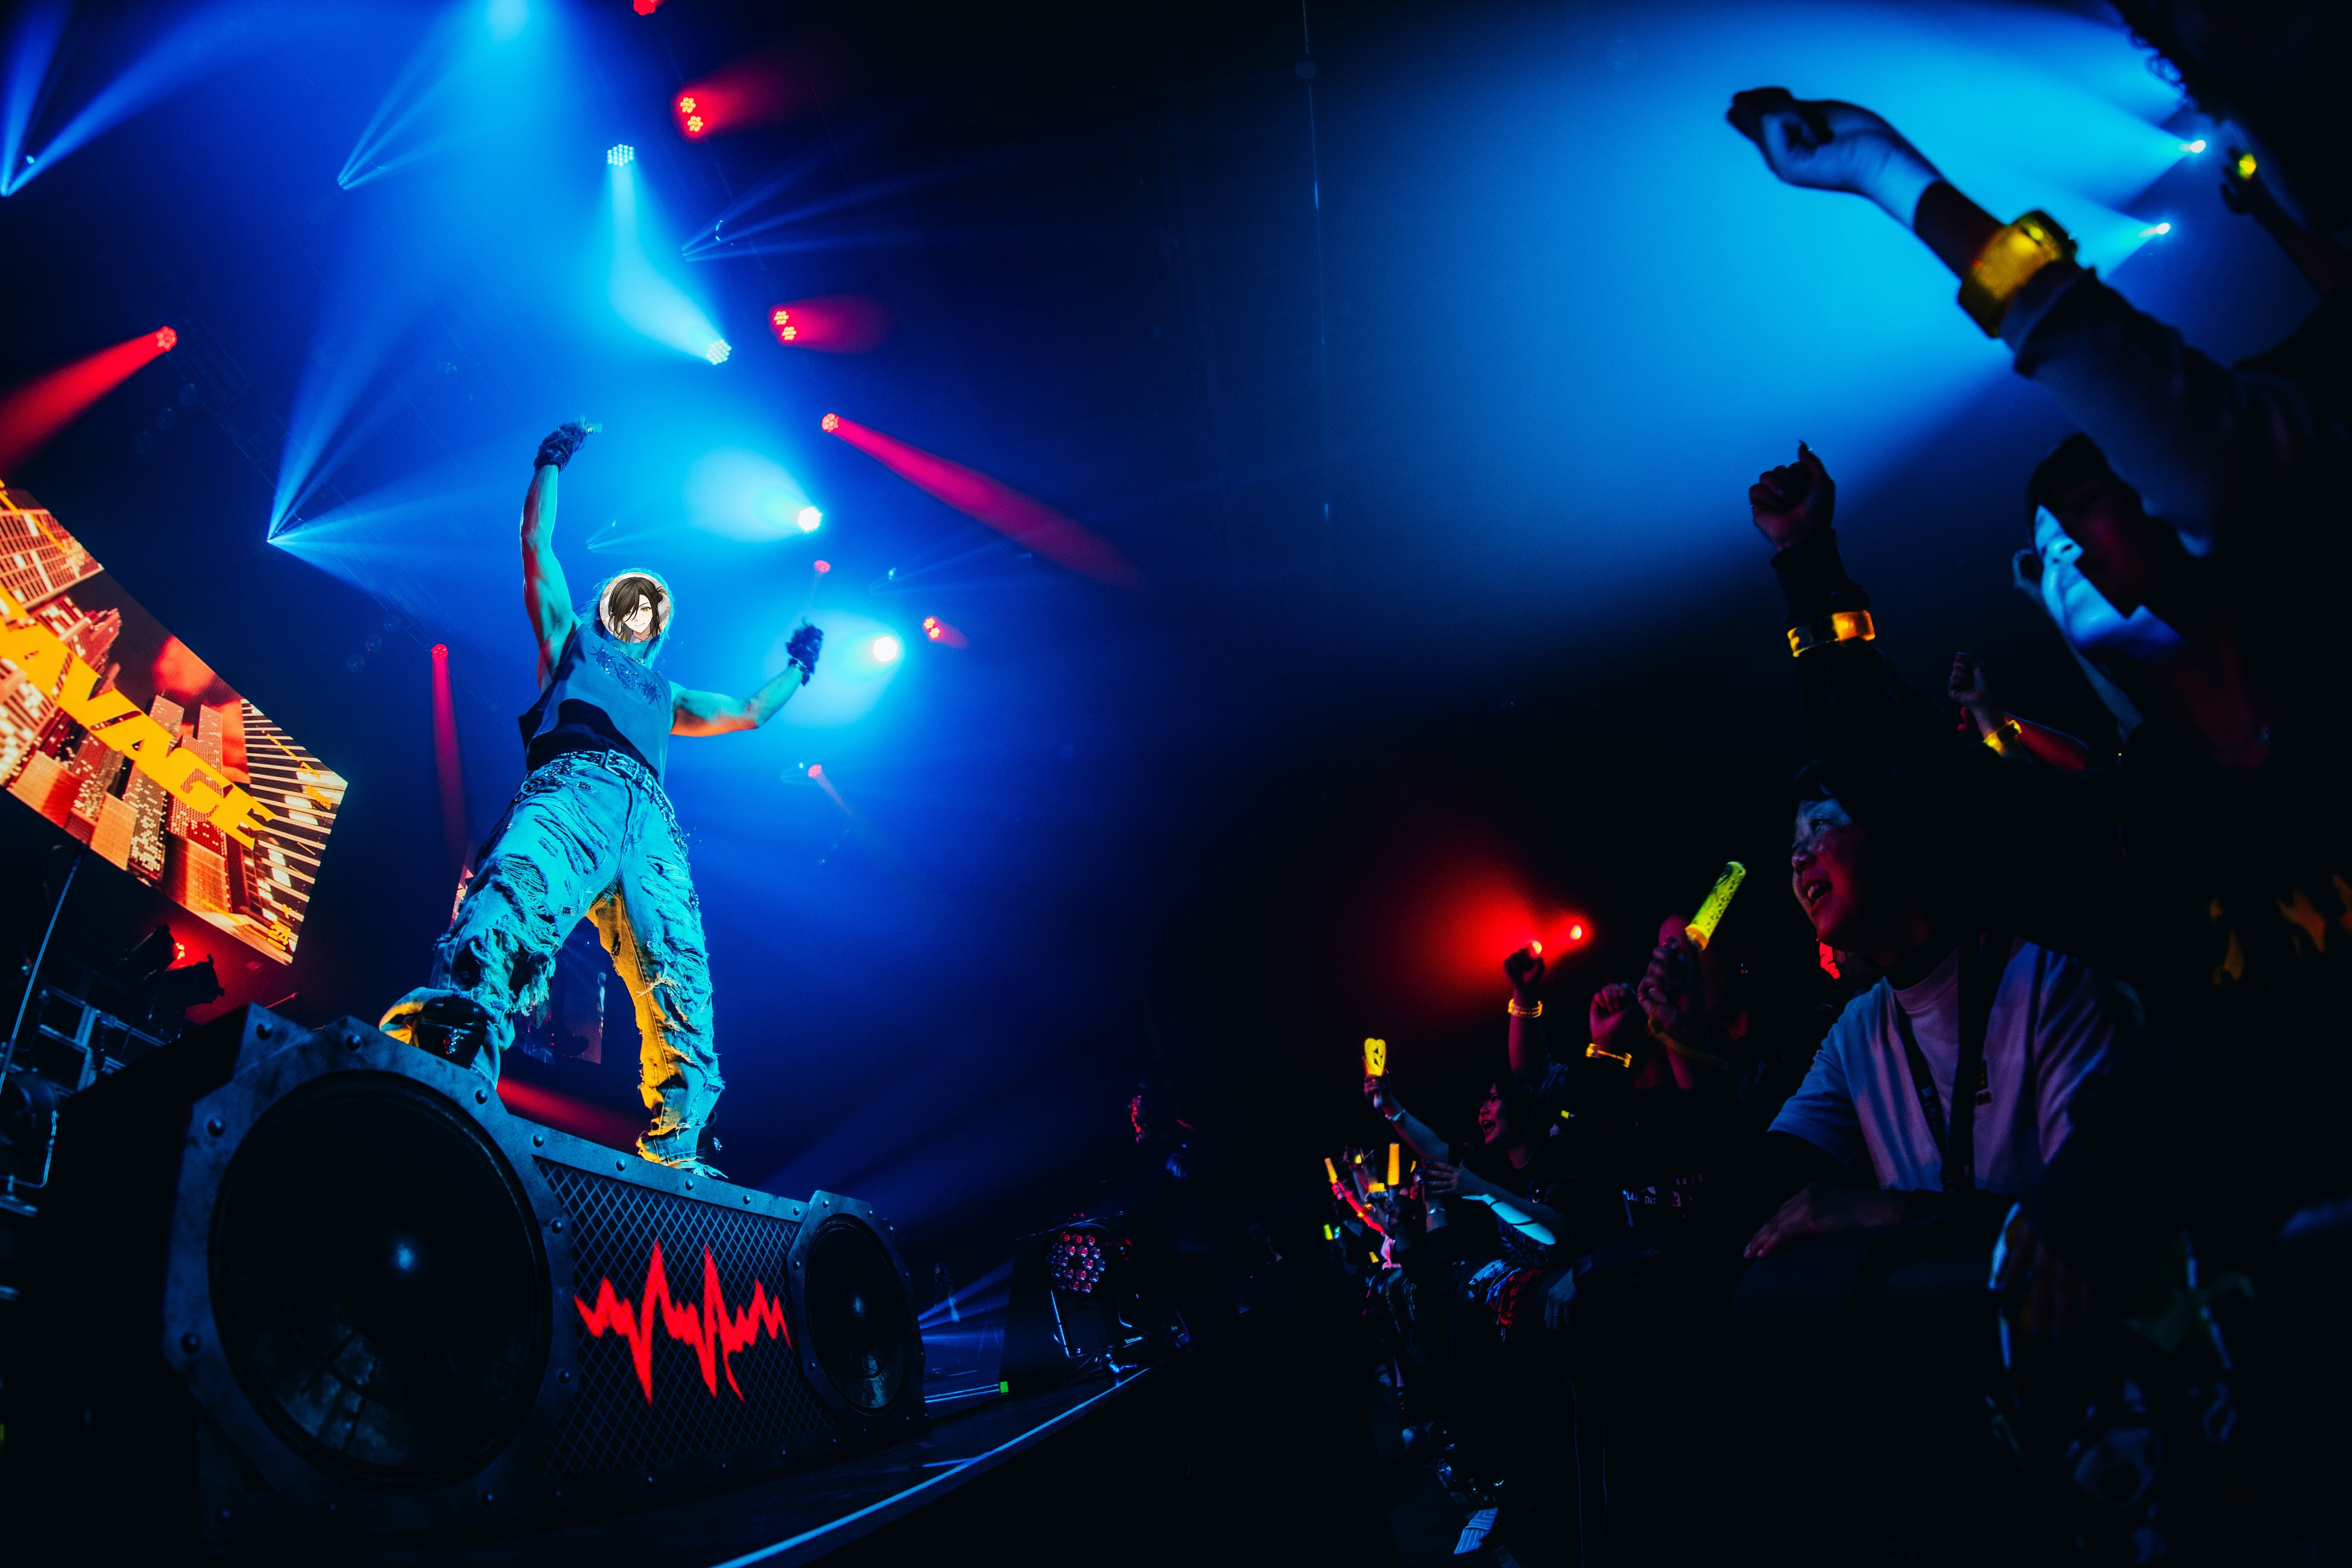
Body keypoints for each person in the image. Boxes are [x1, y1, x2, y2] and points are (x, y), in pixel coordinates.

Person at [381, 422, 824, 1175]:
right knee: (512, 905)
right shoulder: (570, 638)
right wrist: (550, 461)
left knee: (679, 973)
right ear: (611, 603)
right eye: (632, 597)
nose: (641, 608)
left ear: (658, 629)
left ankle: (684, 1142)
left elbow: (750, 711)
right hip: (574, 785)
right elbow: (536, 542)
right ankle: (450, 1052)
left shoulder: (666, 691)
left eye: (653, 606)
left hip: (651, 822)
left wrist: (799, 669)